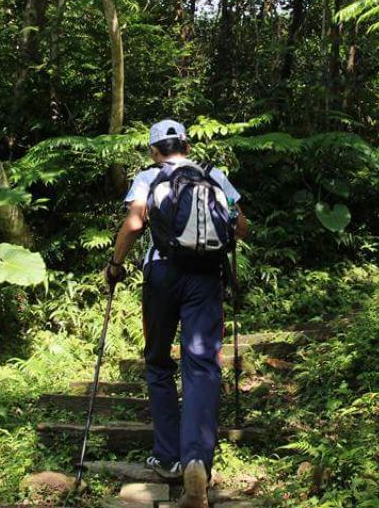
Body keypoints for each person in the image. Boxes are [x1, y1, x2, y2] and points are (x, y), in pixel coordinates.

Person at [104, 119, 247, 508]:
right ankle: (198, 457)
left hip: (162, 274)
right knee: (201, 363)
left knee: (157, 361)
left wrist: (115, 266)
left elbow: (135, 222)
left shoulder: (148, 177)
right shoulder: (213, 174)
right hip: (206, 276)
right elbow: (242, 227)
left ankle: (168, 457)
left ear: (155, 150)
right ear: (186, 143)